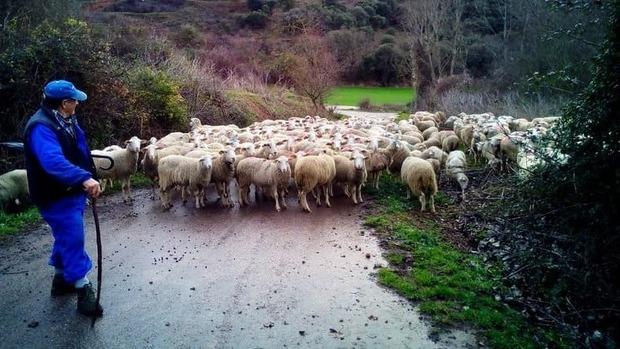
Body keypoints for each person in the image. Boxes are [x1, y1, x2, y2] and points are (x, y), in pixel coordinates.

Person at [23, 80, 103, 317]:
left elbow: (79, 149)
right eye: (74, 100)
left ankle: (61, 279)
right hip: (55, 193)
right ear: (64, 103)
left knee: (66, 234)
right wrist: (83, 178)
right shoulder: (41, 127)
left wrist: (89, 173)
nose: (77, 103)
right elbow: (52, 162)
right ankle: (82, 288)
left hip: (70, 190)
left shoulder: (66, 120)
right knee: (72, 236)